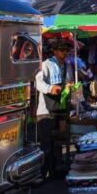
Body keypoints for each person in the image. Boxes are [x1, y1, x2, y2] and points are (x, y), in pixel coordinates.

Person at [34, 40, 70, 177]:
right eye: (62, 50)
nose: (64, 52)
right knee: (46, 145)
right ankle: (43, 173)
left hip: (60, 110)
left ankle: (55, 170)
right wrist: (50, 88)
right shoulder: (47, 65)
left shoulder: (66, 65)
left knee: (58, 142)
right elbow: (38, 82)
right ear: (54, 51)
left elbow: (68, 81)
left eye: (66, 50)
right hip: (45, 111)